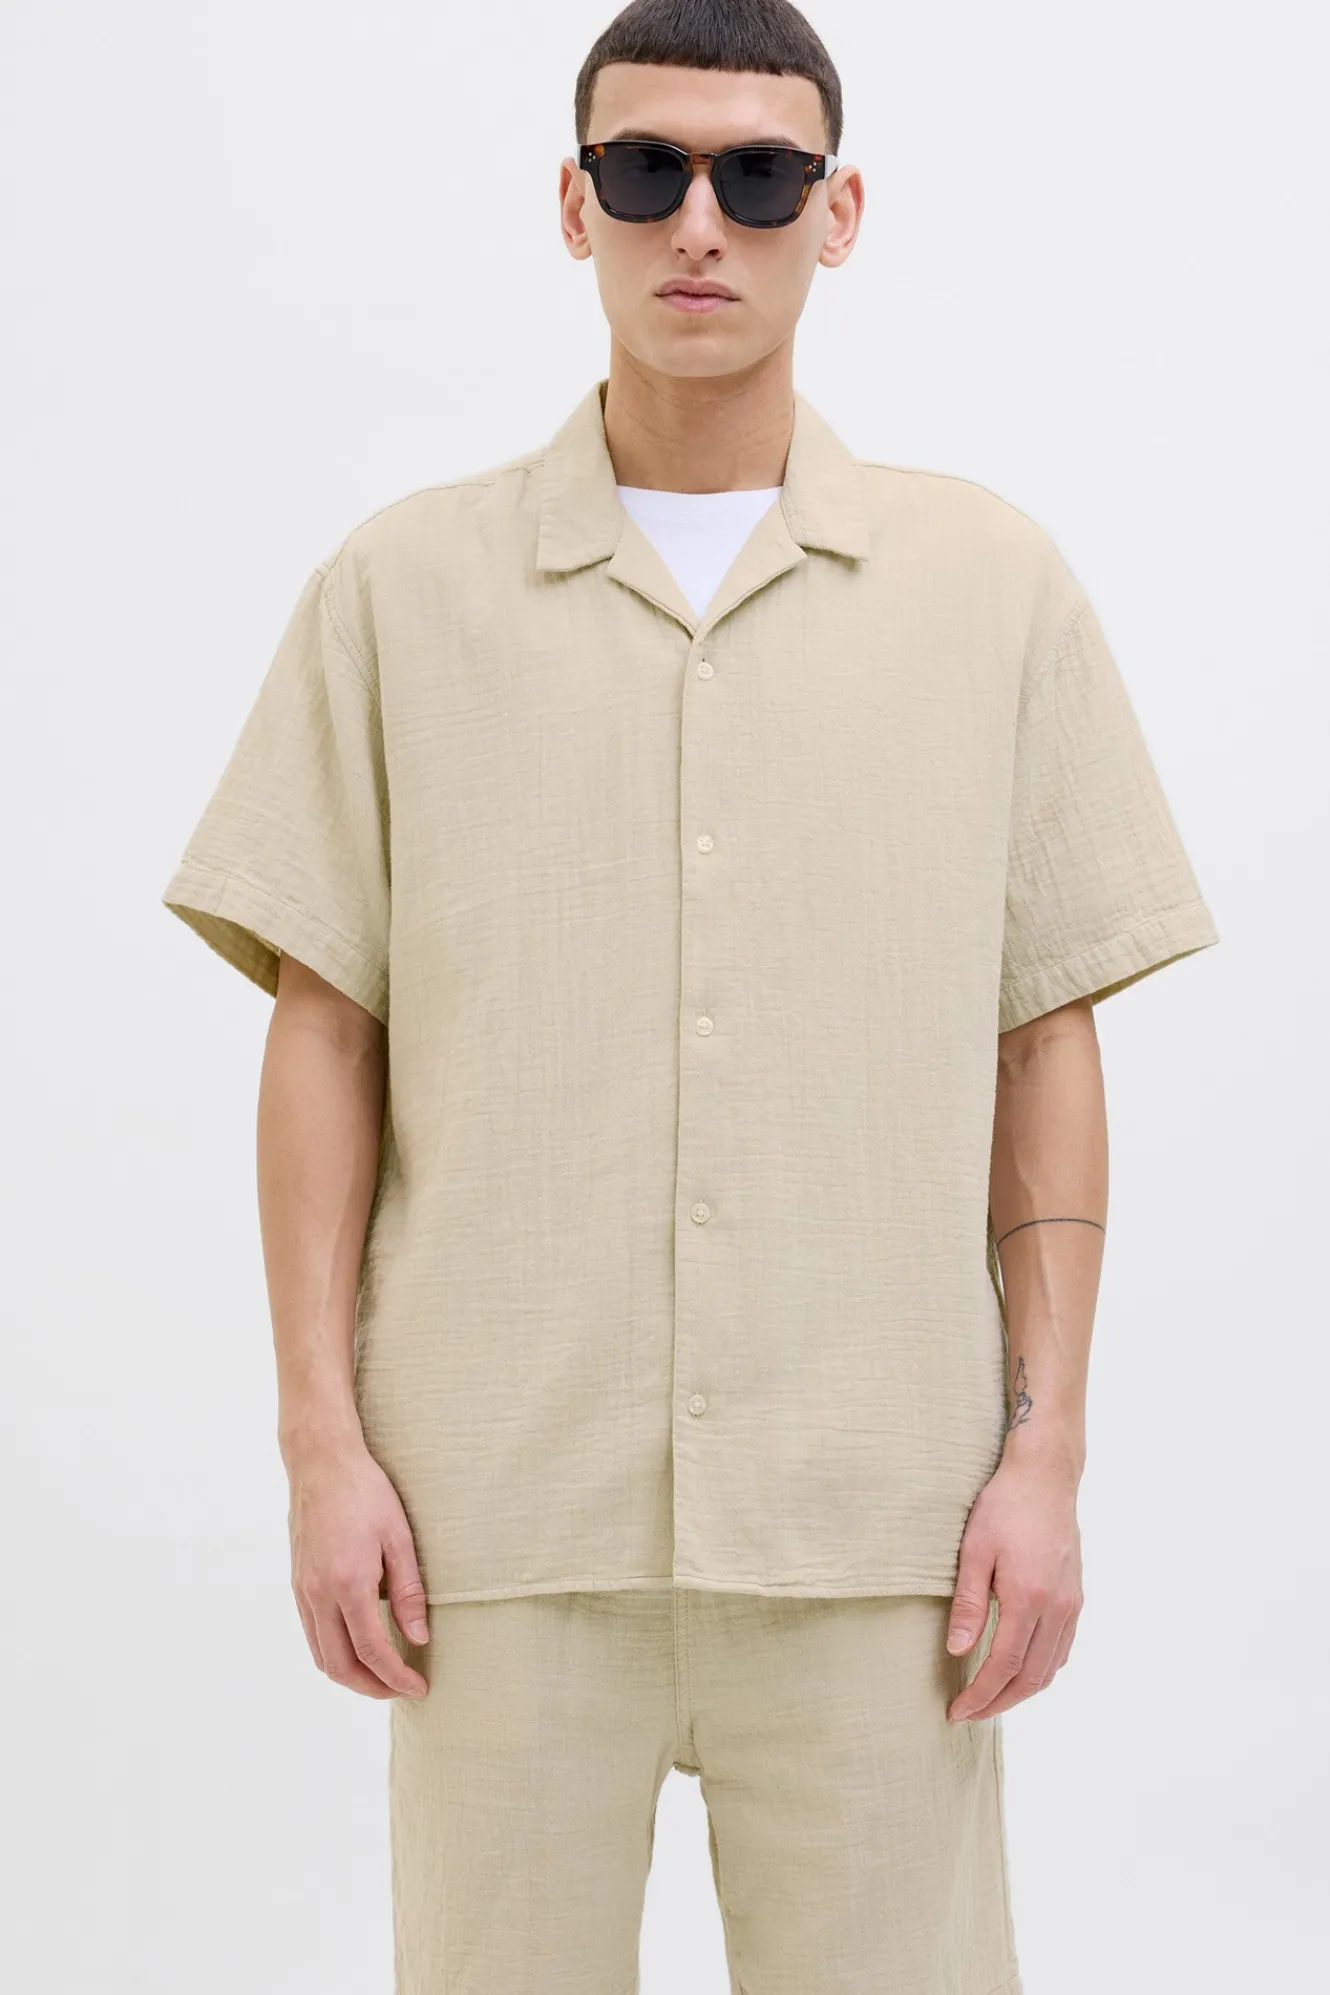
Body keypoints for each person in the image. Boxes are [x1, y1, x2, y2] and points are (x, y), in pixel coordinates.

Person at [160, 3, 1220, 1990]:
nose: (701, 222)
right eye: (646, 170)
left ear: (840, 210)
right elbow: (324, 1028)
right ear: (575, 206)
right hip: (490, 1520)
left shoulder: (989, 587)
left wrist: (1044, 1451)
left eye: (759, 173)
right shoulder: (399, 592)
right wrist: (320, 1445)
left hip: (876, 1526)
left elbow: (1040, 1033)